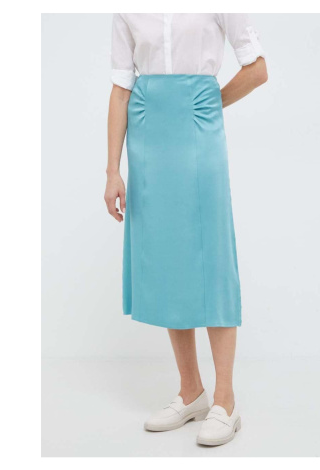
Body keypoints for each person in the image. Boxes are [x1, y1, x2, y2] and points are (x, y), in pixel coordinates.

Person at [105, 13, 267, 446]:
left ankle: (225, 401)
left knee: (212, 257)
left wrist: (210, 102)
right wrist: (112, 171)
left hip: (197, 124)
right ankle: (191, 391)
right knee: (170, 256)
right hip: (148, 135)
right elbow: (121, 88)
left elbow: (257, 69)